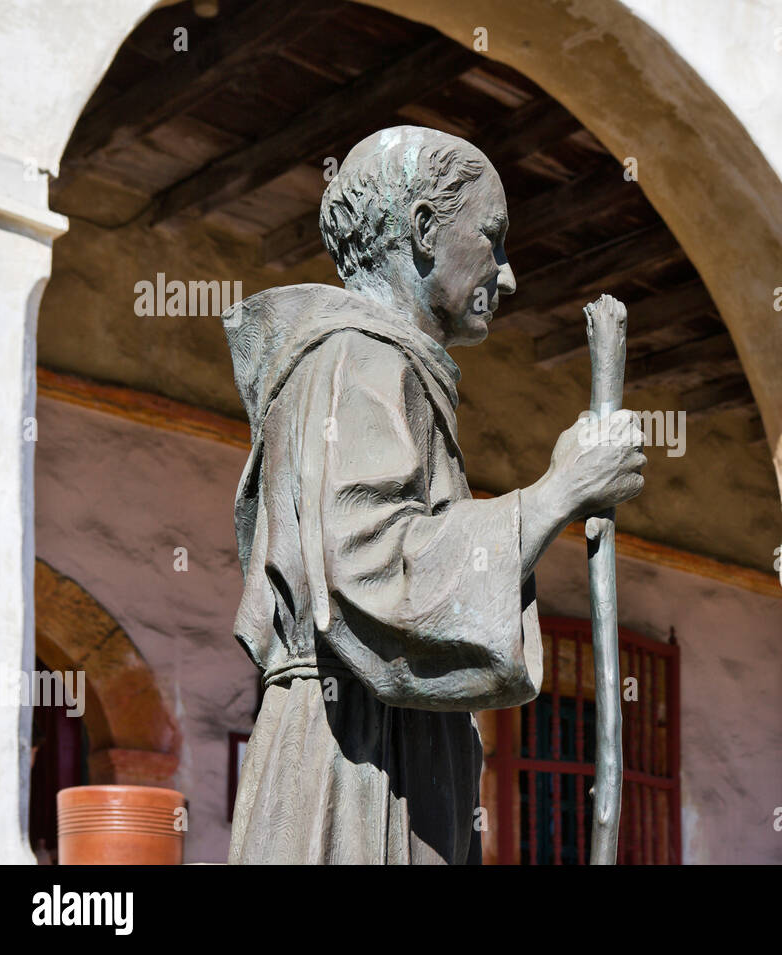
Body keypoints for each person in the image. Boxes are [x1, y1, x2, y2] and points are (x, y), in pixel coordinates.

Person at [223, 126, 645, 863]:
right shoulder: (357, 356)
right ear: (423, 231)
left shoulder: (384, 365)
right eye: (493, 240)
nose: (507, 276)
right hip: (357, 762)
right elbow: (374, 568)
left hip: (389, 746)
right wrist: (557, 494)